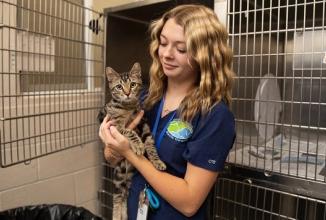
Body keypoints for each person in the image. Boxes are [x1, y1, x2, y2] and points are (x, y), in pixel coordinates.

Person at [99, 4, 236, 219]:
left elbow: (190, 202)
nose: (166, 54)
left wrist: (131, 154)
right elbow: (112, 158)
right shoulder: (143, 98)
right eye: (163, 43)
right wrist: (112, 145)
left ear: (204, 55)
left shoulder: (214, 116)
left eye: (181, 49)